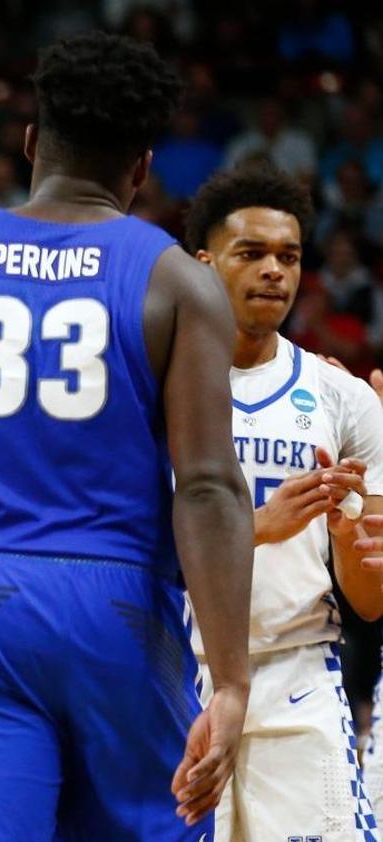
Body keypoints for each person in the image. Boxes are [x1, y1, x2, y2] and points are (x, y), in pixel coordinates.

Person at [0, 31, 254, 839]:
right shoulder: (178, 279)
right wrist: (234, 681)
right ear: (141, 167)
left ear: (33, 142)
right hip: (120, 607)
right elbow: (207, 486)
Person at [184, 164, 383, 840]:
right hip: (175, 674)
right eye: (252, 253)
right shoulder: (146, 392)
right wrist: (257, 529)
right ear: (203, 263)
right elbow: (128, 551)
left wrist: (354, 534)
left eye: (289, 256)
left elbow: (370, 600)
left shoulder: (344, 399)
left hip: (298, 669)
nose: (274, 270)